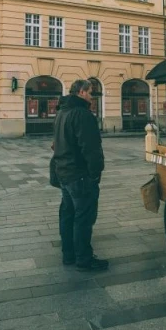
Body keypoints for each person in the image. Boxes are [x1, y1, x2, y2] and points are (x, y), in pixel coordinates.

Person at [52, 79, 107, 272]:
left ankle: (69, 255)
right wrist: (95, 173)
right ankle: (84, 258)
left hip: (64, 173)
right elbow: (91, 148)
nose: (92, 96)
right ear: (82, 92)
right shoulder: (82, 115)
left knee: (68, 214)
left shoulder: (62, 111)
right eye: (91, 92)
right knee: (83, 218)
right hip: (79, 174)